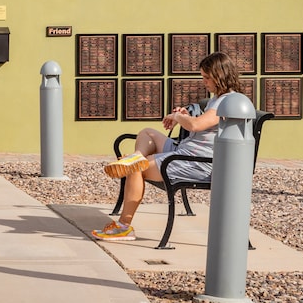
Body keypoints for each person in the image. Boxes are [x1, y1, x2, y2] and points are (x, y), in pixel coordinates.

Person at [92, 51, 244, 241]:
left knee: (136, 170)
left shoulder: (229, 101)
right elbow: (199, 124)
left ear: (220, 76)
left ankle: (124, 227)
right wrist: (185, 115)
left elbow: (197, 125)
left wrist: (178, 117)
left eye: (207, 78)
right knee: (147, 133)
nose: (204, 82)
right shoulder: (218, 98)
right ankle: (136, 156)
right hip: (186, 150)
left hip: (197, 162)